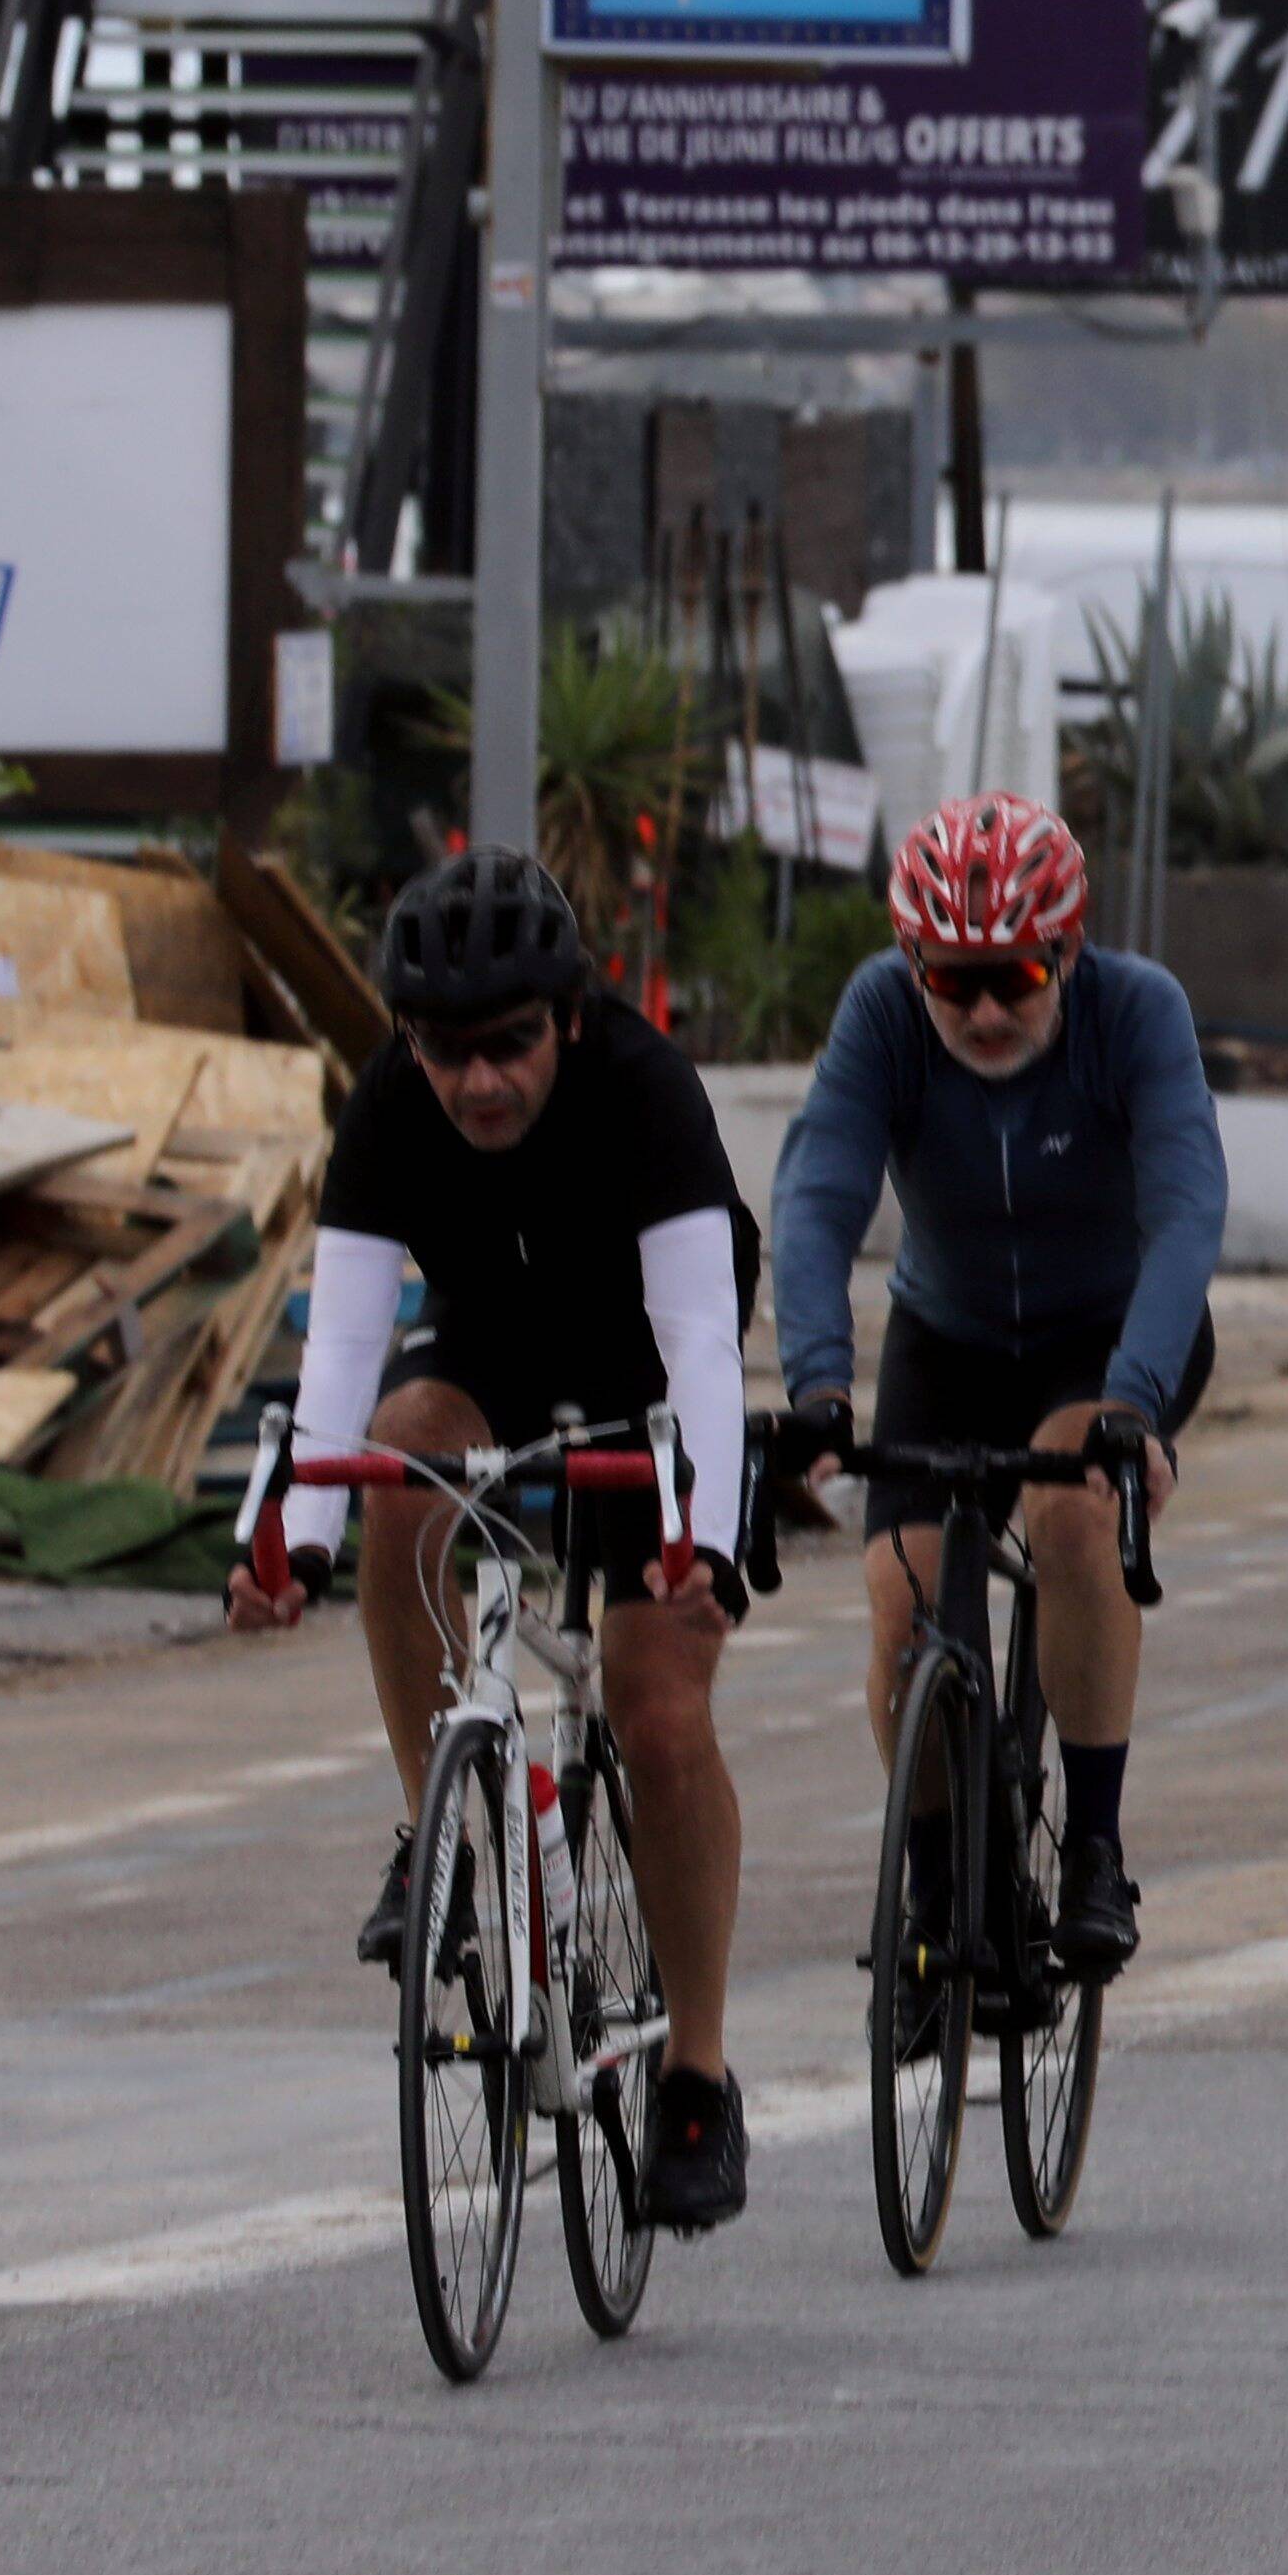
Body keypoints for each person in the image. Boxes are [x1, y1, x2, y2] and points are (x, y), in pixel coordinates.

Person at [230, 847, 766, 2235]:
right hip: (494, 1364)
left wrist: (701, 1540)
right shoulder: (389, 1112)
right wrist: (290, 1533)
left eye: (510, 1048)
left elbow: (704, 1345)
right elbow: (340, 1355)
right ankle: (441, 1829)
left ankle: (696, 2077)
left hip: (649, 1384)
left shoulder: (646, 1093)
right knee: (402, 1446)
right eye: (446, 1052)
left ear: (568, 1021)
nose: (479, 1083)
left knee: (655, 1718)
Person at [764, 793, 1226, 1982]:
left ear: (1067, 949)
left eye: (1013, 977)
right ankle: (932, 1901)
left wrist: (1134, 1403)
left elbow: (1185, 1212)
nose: (979, 1010)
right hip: (951, 1336)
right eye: (948, 978)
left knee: (1074, 1511)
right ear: (911, 961)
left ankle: (1096, 1848)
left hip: (1110, 1337)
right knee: (899, 1607)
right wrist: (818, 1378)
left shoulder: (1138, 1012)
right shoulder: (882, 1012)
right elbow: (819, 1195)